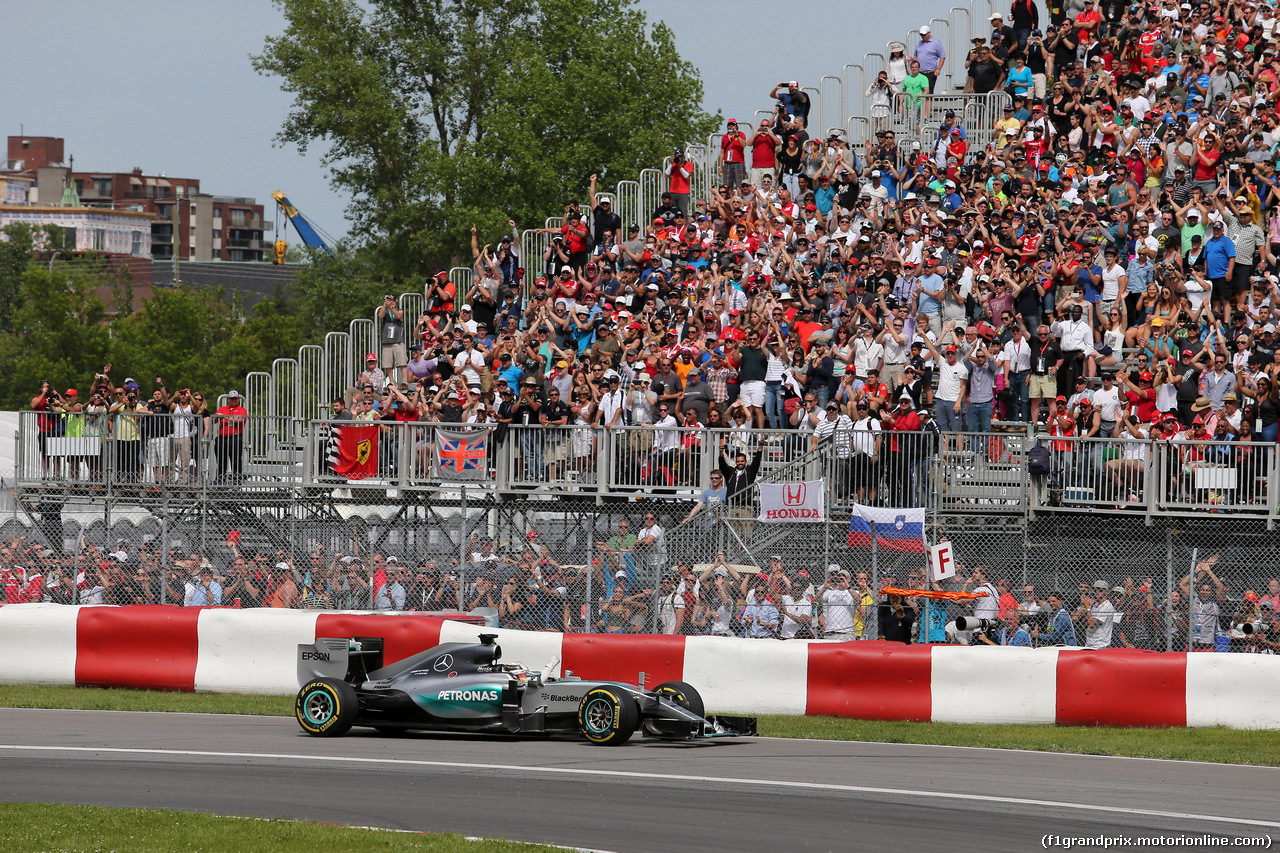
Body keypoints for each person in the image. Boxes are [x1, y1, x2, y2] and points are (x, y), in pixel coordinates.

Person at [214, 390, 247, 484]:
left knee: (236, 460)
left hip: (235, 438)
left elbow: (239, 420)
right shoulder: (223, 408)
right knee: (221, 460)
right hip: (222, 438)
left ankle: (237, 481)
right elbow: (215, 420)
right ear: (228, 399)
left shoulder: (241, 409)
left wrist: (225, 416)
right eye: (232, 399)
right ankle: (220, 481)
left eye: (236, 398)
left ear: (239, 399)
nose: (234, 400)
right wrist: (217, 417)